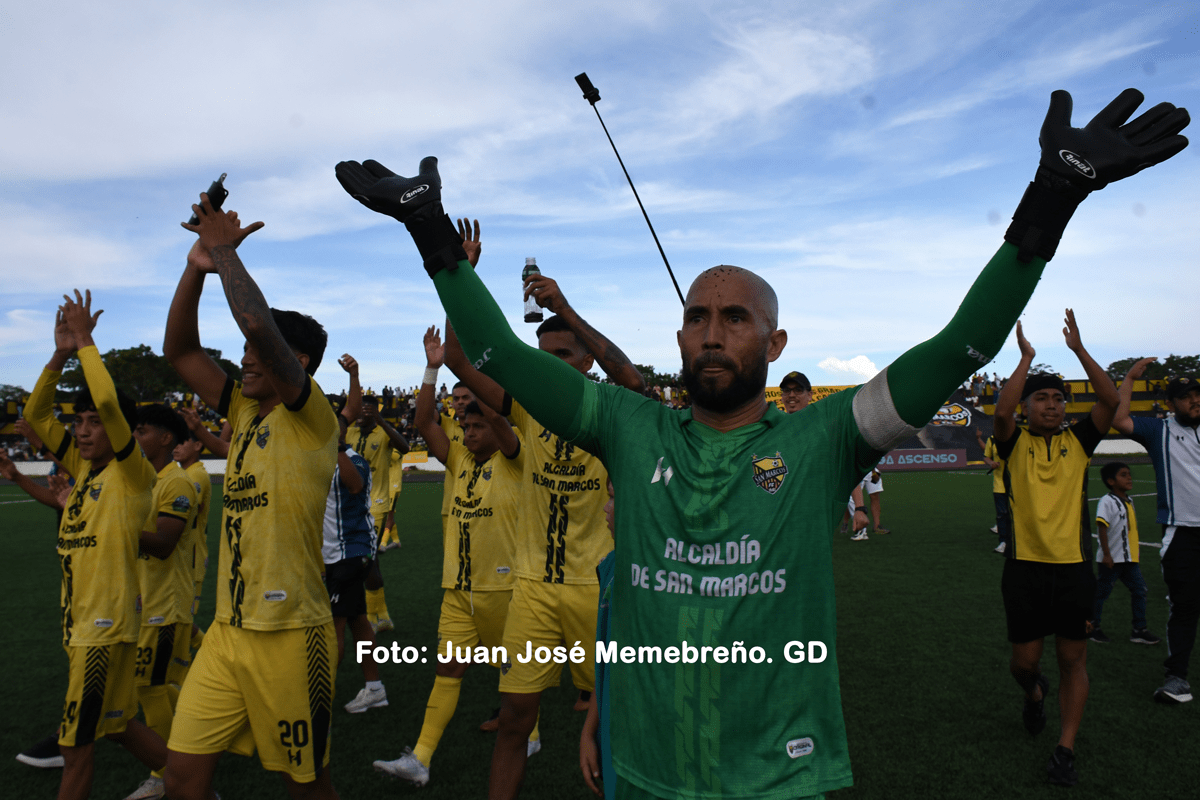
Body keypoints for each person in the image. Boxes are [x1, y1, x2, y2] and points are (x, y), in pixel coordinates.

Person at [336, 85, 1189, 798]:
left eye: (735, 318)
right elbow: (497, 355)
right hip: (643, 766)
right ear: (678, 341)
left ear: (775, 345)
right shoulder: (624, 426)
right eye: (697, 317)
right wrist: (429, 229)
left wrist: (1054, 195)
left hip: (779, 777)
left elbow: (960, 344)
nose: (712, 333)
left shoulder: (826, 439)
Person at [440, 249, 646, 798]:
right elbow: (462, 362)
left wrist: (567, 308)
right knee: (513, 720)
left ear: (584, 362)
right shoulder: (526, 406)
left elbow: (634, 381)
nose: (547, 363)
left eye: (561, 353)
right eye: (542, 353)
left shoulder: (609, 407)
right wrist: (463, 278)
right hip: (531, 587)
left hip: (595, 588)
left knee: (621, 726)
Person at [162, 195, 340, 799]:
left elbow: (258, 325)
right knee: (182, 774)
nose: (245, 363)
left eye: (256, 357)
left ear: (300, 362)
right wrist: (196, 266)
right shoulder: (243, 408)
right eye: (242, 358)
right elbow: (182, 353)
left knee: (305, 788)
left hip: (293, 634)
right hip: (228, 633)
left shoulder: (311, 415)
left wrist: (227, 252)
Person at [26, 290, 168, 800]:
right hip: (84, 622)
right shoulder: (83, 469)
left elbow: (109, 401)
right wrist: (61, 353)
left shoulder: (133, 473)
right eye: (78, 422)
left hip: (102, 628)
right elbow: (36, 416)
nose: (82, 431)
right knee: (117, 724)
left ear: (120, 431)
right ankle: (192, 788)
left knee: (76, 747)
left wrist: (87, 344)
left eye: (93, 424)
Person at [373, 326, 524, 786]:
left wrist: (466, 348)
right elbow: (423, 424)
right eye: (467, 426)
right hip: (457, 588)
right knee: (448, 669)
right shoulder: (458, 458)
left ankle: (530, 732)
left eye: (480, 426)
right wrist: (432, 368)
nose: (471, 433)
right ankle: (420, 758)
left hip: (503, 587)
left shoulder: (514, 459)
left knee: (514, 675)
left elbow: (499, 416)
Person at [992, 314, 1119, 787]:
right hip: (1023, 569)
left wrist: (1079, 350)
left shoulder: (1080, 442)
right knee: (1024, 664)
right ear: (1028, 406)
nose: (1051, 406)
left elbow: (1110, 399)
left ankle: (1065, 748)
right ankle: (1034, 695)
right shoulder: (1013, 442)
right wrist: (1025, 357)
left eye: (1058, 399)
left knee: (1073, 661)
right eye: (1041, 398)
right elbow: (1002, 415)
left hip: (1073, 571)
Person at [123, 403, 200, 800]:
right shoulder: (146, 480)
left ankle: (170, 773)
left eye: (142, 431)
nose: (135, 437)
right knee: (154, 686)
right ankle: (195, 745)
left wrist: (118, 526)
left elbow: (166, 544)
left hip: (165, 604)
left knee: (149, 687)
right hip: (144, 602)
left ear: (166, 438)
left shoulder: (176, 483)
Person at [1113, 360, 1200, 704]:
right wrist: (1130, 379)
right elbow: (1119, 420)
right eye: (1186, 396)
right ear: (1170, 404)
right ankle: (1177, 678)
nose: (1195, 400)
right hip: (1183, 534)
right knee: (1185, 606)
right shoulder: (1158, 430)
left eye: (1197, 394)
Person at [325, 402, 389, 714]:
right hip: (334, 553)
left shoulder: (353, 460)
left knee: (333, 623)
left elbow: (355, 485)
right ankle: (374, 688)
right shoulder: (317, 458)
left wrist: (335, 446)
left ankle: (319, 696)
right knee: (357, 620)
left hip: (350, 553)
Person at [348, 392, 410, 633]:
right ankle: (380, 615)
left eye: (367, 411)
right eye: (359, 410)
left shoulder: (383, 433)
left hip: (376, 505)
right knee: (367, 563)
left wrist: (383, 421)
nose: (362, 415)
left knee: (366, 560)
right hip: (351, 505)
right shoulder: (350, 432)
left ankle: (374, 615)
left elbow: (404, 447)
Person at [1089, 461, 1160, 646]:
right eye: (1123, 474)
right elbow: (1101, 527)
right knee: (1101, 593)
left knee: (1140, 590)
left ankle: (1139, 630)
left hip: (1128, 560)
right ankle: (1091, 627)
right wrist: (1106, 554)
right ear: (1111, 481)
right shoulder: (1107, 501)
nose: (1129, 477)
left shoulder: (1129, 500)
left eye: (1129, 474)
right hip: (1112, 559)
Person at [579, 479, 616, 800]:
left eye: (614, 499)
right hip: (612, 731)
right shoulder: (609, 568)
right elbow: (606, 661)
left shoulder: (662, 574)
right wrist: (590, 730)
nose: (605, 507)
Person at [976, 425, 1008, 552]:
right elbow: (986, 456)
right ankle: (1004, 542)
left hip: (1017, 484)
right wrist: (990, 463)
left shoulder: (1019, 439)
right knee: (1002, 515)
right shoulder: (992, 440)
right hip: (1000, 484)